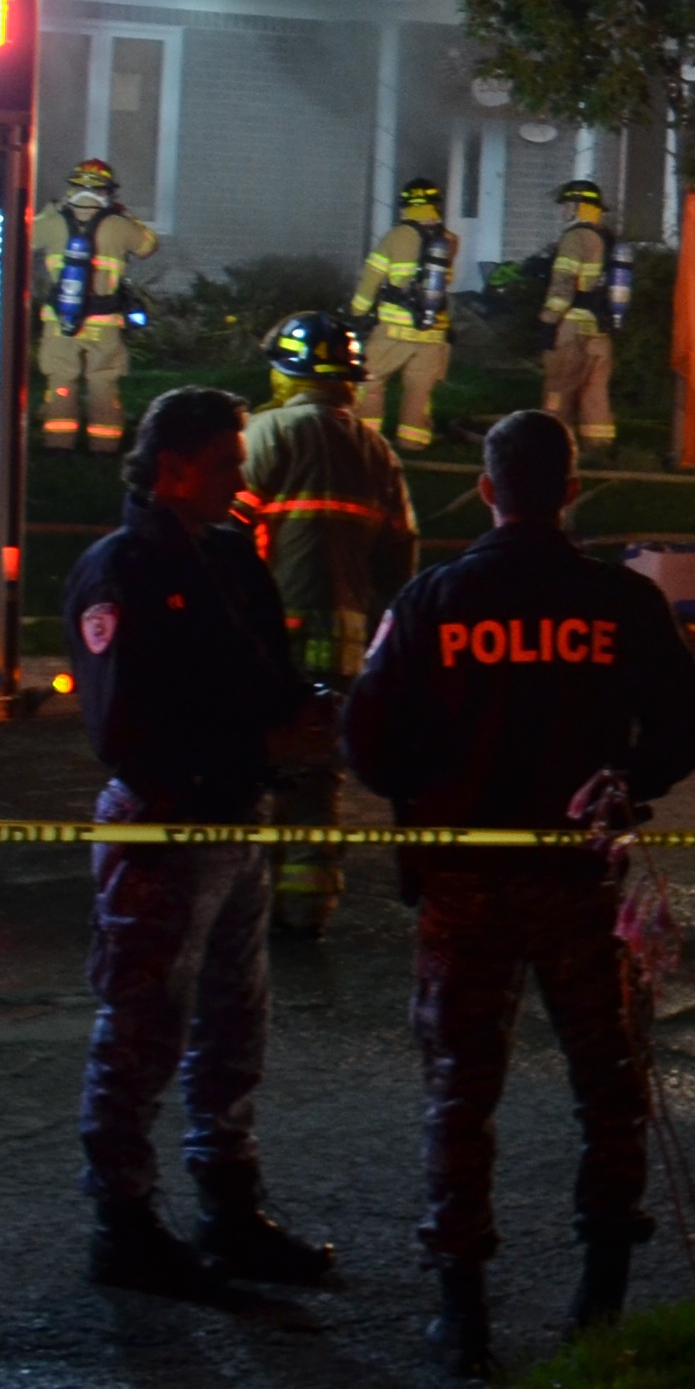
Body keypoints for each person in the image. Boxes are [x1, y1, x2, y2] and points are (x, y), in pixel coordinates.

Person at [340, 409, 695, 1376]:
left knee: (461, 1093)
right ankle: (601, 1294)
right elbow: (686, 719)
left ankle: (460, 1312)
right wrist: (630, 782)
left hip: (464, 884)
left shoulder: (434, 600)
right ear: (571, 491)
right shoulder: (621, 602)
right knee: (609, 1086)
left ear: (489, 489)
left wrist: (439, 783)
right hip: (581, 879)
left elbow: (368, 743)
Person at [65, 385, 330, 1295]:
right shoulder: (122, 571)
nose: (239, 478)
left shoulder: (229, 558)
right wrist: (260, 743)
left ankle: (230, 1208)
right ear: (171, 467)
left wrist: (309, 716)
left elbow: (265, 676)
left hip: (237, 822)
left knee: (230, 1029)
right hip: (166, 825)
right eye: (224, 462)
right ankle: (125, 1224)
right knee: (142, 1030)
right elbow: (126, 732)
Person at [242, 311, 419, 941]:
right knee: (316, 775)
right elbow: (400, 558)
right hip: (341, 637)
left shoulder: (259, 436)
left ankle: (240, 907)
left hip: (262, 636)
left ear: (286, 372)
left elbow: (223, 535)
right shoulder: (377, 451)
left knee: (242, 765)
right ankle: (306, 910)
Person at [33, 159, 163, 448]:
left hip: (60, 321)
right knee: (103, 381)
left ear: (72, 188)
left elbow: (23, 236)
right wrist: (127, 215)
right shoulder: (118, 225)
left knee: (61, 379)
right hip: (104, 322)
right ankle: (104, 446)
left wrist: (50, 210)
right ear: (108, 191)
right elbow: (147, 246)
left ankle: (58, 443)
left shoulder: (52, 222)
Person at [351, 176, 461, 451]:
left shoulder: (396, 236)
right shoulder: (448, 240)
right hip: (433, 331)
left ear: (405, 207)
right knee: (419, 390)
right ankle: (413, 442)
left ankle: (367, 441)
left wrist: (357, 312)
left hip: (393, 331)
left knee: (371, 381)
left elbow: (371, 279)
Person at [540, 179, 631, 451]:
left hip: (573, 327)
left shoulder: (575, 237)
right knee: (595, 391)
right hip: (601, 329)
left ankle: (552, 447)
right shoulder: (607, 237)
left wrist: (548, 321)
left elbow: (563, 285)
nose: (563, 211)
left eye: (567, 205)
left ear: (579, 207)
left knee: (559, 387)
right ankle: (598, 444)